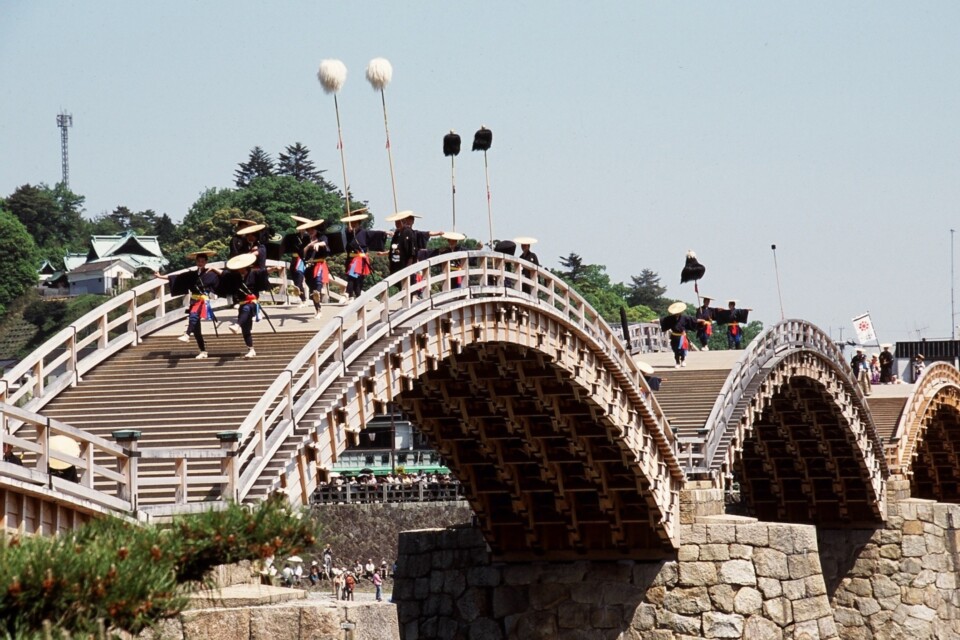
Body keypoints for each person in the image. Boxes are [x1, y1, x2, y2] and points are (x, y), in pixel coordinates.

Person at [156, 250, 221, 359]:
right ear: (196, 262)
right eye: (198, 261)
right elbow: (177, 277)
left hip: (203, 301)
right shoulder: (191, 275)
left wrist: (214, 269)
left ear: (206, 262)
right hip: (194, 300)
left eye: (202, 261)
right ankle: (203, 351)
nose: (200, 263)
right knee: (196, 330)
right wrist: (160, 276)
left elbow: (223, 277)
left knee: (193, 315)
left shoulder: (211, 274)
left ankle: (186, 334)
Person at [223, 252, 266, 358]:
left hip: (252, 303)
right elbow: (223, 274)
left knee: (246, 309)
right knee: (245, 329)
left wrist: (273, 269)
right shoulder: (236, 277)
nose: (240, 269)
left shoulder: (254, 273)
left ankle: (236, 325)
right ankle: (251, 349)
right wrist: (213, 270)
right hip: (242, 303)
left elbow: (264, 271)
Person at [342, 210, 387, 298]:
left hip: (360, 259)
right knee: (353, 276)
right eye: (351, 223)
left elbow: (375, 234)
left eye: (355, 223)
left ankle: (352, 294)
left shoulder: (364, 232)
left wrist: (384, 233)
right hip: (351, 258)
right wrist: (348, 231)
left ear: (359, 223)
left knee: (356, 278)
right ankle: (351, 295)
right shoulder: (348, 233)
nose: (353, 225)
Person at [662, 302, 698, 368]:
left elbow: (693, 320)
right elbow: (663, 320)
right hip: (674, 336)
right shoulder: (671, 318)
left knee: (683, 349)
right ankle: (677, 362)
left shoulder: (685, 317)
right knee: (676, 350)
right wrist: (655, 320)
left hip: (682, 336)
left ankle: (683, 360)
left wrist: (701, 321)